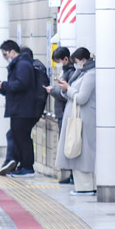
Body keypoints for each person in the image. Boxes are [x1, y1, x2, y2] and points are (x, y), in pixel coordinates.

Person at [54, 47, 96, 195]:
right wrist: (66, 89)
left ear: (84, 60)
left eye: (77, 62)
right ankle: (83, 187)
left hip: (84, 119)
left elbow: (82, 97)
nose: (76, 65)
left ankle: (86, 187)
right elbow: (73, 94)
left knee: (82, 153)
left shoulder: (90, 75)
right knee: (78, 151)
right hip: (79, 118)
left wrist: (68, 88)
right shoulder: (82, 73)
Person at [0, 40, 37, 177]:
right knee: (18, 137)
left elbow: (21, 84)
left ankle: (27, 166)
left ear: (13, 51)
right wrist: (4, 88)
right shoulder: (20, 64)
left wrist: (5, 85)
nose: (6, 58)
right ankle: (19, 164)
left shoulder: (22, 64)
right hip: (19, 108)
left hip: (23, 109)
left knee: (22, 138)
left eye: (5, 54)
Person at [47, 46, 77, 184]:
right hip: (62, 113)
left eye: (59, 61)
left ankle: (73, 175)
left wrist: (53, 90)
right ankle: (71, 174)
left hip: (66, 112)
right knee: (65, 144)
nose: (58, 64)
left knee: (68, 144)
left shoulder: (71, 73)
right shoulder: (66, 71)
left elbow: (64, 93)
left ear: (66, 58)